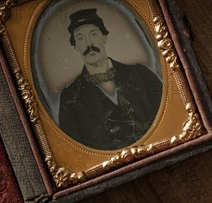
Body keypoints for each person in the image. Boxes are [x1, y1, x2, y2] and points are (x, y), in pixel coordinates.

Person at [58, 8, 162, 150]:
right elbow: (76, 150)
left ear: (104, 37)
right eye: (80, 38)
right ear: (75, 46)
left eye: (93, 34)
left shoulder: (140, 74)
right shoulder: (70, 98)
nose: (89, 44)